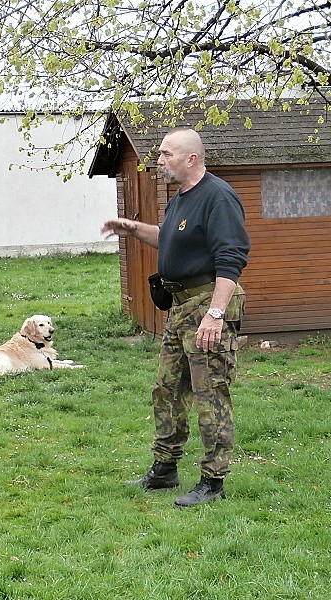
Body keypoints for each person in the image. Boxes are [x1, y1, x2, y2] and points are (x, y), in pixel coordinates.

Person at [101, 127, 250, 508]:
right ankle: (165, 468)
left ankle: (213, 480)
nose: (159, 160)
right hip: (181, 308)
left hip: (207, 306)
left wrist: (215, 315)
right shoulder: (180, 198)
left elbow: (231, 260)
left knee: (209, 392)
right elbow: (170, 237)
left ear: (191, 158)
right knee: (167, 389)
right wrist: (133, 229)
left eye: (167, 154)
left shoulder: (218, 197)